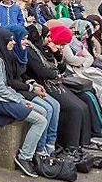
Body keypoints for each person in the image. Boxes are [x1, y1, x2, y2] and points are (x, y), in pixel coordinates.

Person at [0, 28, 49, 178]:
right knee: (40, 120)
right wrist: (20, 101)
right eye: (11, 40)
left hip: (0, 96)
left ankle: (36, 150)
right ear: (2, 42)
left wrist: (21, 99)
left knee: (44, 111)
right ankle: (25, 157)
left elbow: (4, 86)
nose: (14, 42)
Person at [5, 24, 61, 156]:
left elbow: (23, 74)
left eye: (26, 38)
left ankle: (50, 143)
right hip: (16, 90)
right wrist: (31, 87)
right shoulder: (10, 55)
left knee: (55, 105)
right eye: (22, 38)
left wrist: (33, 83)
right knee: (46, 109)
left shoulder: (22, 52)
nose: (25, 41)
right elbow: (11, 80)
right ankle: (39, 149)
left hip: (25, 86)